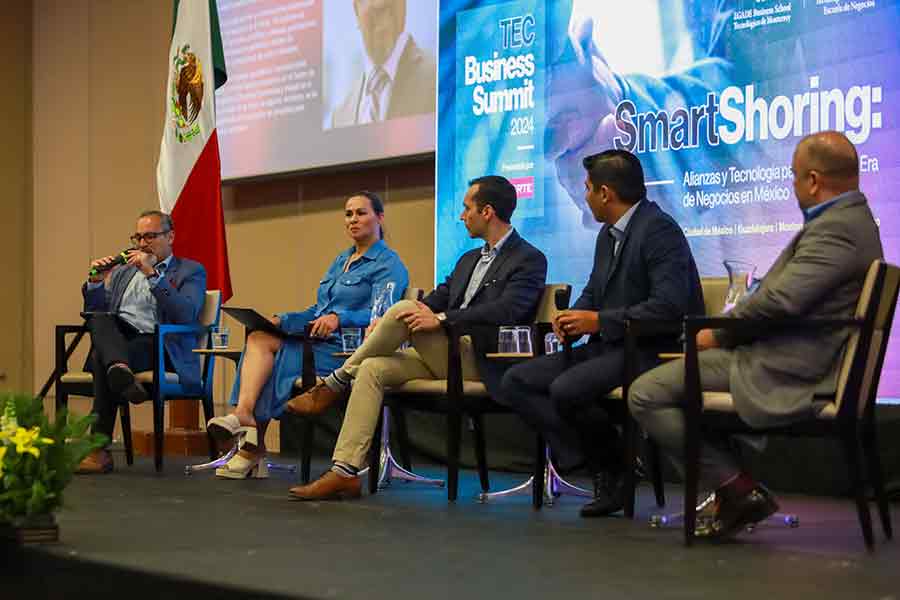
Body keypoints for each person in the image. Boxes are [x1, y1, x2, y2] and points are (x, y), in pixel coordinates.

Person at [628, 131, 884, 539]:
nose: (793, 186)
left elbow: (781, 302)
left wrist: (719, 334)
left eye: (795, 177)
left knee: (646, 393)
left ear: (814, 181)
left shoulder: (837, 229)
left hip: (788, 366)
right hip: (788, 353)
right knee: (680, 390)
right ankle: (733, 489)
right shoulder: (849, 222)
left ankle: (736, 489)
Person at [285, 175, 547, 500]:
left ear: (488, 211)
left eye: (467, 208)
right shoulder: (468, 259)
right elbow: (438, 297)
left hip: (481, 360)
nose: (462, 215)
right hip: (441, 356)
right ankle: (345, 472)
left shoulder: (529, 258)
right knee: (373, 368)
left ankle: (333, 384)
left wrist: (440, 319)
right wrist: (410, 317)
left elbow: (509, 311)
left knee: (405, 310)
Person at [501, 149, 704, 518]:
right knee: (517, 380)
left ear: (606, 193)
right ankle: (610, 462)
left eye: (588, 188)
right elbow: (596, 291)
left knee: (566, 389)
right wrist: (574, 316)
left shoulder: (658, 229)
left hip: (653, 347)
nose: (586, 195)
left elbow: (669, 306)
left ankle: (610, 467)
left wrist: (597, 321)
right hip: (610, 345)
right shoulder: (607, 235)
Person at [206, 192, 408, 479]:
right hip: (318, 341)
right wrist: (282, 319)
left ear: (380, 217)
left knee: (274, 357)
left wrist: (340, 318)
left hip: (348, 351)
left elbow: (384, 314)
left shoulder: (389, 264)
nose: (353, 219)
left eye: (361, 213)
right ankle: (244, 415)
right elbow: (319, 310)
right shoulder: (342, 260)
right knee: (259, 337)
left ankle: (252, 445)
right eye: (348, 214)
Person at [76, 210, 207, 474]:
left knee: (104, 358)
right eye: (138, 237)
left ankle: (98, 450)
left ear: (170, 236)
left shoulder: (190, 270)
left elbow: (186, 313)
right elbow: (94, 311)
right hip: (123, 341)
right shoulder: (123, 271)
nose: (142, 243)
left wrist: (151, 274)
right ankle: (120, 371)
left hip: (159, 345)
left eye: (150, 236)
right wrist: (96, 282)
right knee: (100, 320)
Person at [330, 0, 436, 128]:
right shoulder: (340, 117)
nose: (379, 4)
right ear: (356, 10)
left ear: (403, 4)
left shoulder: (439, 77)